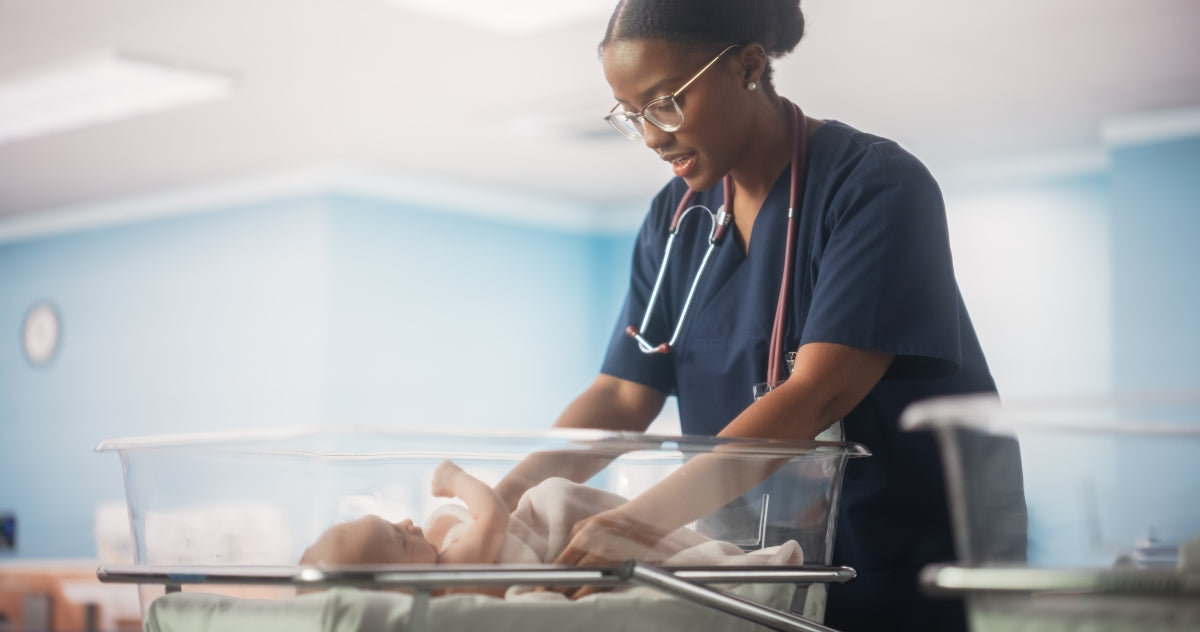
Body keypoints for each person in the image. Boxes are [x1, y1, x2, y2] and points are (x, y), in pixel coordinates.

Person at [492, 1, 1025, 630]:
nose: (653, 136)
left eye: (666, 101)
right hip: (751, 576)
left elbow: (817, 392)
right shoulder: (674, 219)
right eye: (632, 116)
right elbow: (619, 394)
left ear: (747, 66)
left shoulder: (874, 186)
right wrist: (497, 504)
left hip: (892, 562)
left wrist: (635, 524)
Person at [301, 460, 804, 597]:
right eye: (397, 538)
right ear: (400, 588)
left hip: (565, 537)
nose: (409, 522)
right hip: (564, 538)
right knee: (664, 555)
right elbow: (495, 515)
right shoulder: (453, 569)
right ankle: (730, 564)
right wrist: (457, 481)